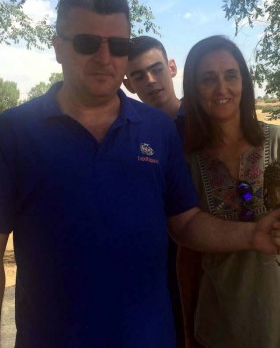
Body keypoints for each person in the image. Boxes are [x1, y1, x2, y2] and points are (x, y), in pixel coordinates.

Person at [0, 0, 280, 347]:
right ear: (58, 46)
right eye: (87, 43)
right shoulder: (14, 131)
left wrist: (251, 236)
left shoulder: (157, 130)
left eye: (118, 46)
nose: (104, 57)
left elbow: (186, 223)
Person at [177, 35, 280, 348]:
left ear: (244, 82)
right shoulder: (187, 161)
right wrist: (188, 331)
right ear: (193, 88)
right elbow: (187, 253)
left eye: (230, 76)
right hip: (216, 330)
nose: (221, 89)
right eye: (208, 79)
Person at [122, 35, 186, 345]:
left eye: (156, 69)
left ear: (172, 68)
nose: (150, 80)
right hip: (156, 276)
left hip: (215, 263)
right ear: (128, 84)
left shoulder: (210, 123)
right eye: (138, 75)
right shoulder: (127, 135)